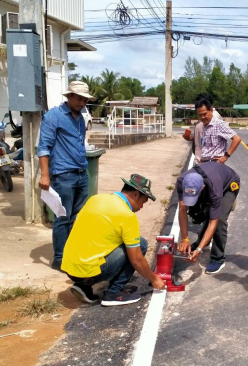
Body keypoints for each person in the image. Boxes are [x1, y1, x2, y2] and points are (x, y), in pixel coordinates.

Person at [61, 174, 166, 306]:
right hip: (88, 273)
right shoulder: (127, 215)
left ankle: (83, 286)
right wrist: (154, 278)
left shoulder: (96, 199)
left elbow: (77, 225)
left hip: (69, 268)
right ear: (135, 195)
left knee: (105, 240)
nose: (141, 207)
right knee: (141, 244)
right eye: (143, 201)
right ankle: (113, 293)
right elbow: (136, 259)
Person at [38, 81, 92, 271]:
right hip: (63, 175)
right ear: (68, 96)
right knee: (62, 217)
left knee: (77, 217)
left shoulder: (80, 118)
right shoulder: (54, 116)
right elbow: (44, 147)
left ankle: (71, 252)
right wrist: (45, 175)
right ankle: (59, 258)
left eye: (85, 99)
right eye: (78, 98)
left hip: (80, 173)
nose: (82, 102)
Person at [176, 161, 240, 274]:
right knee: (200, 212)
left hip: (229, 184)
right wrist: (184, 239)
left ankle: (218, 258)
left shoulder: (214, 186)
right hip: (210, 180)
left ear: (203, 188)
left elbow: (213, 222)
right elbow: (182, 209)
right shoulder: (181, 181)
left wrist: (199, 250)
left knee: (219, 218)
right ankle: (203, 241)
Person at [195, 93, 242, 163]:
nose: (202, 117)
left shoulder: (219, 124)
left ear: (211, 110)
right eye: (200, 115)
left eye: (204, 114)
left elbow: (237, 139)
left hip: (215, 164)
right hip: (205, 163)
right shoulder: (205, 125)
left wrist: (226, 156)